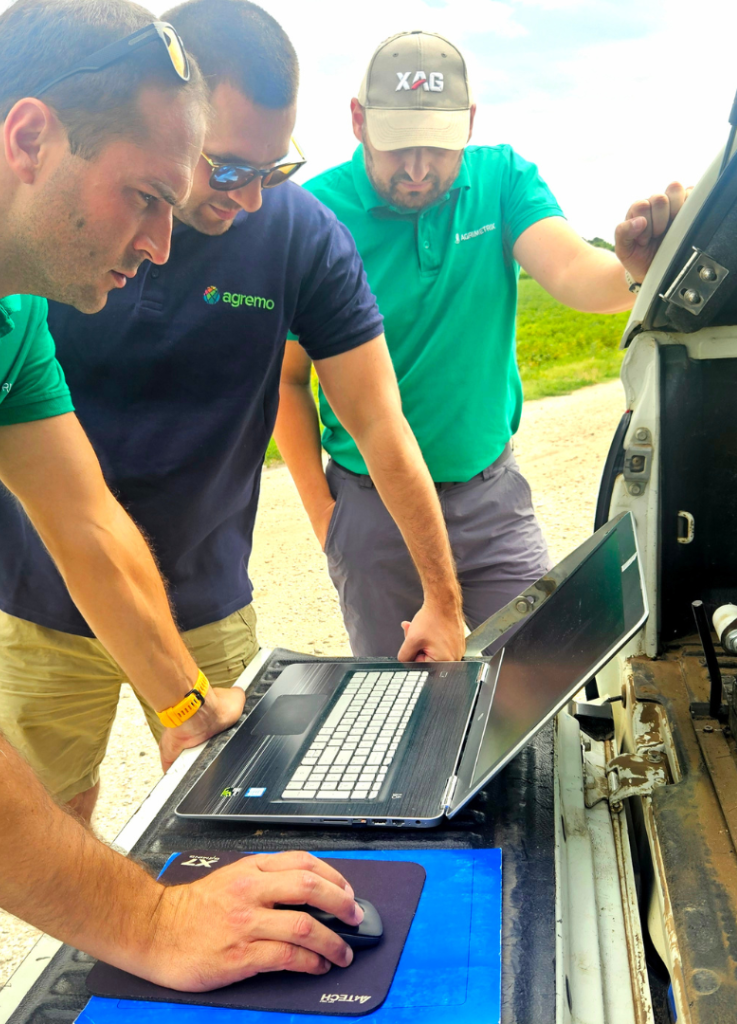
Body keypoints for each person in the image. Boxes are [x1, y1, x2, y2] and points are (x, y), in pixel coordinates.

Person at [0, 3, 363, 1021]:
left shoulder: (7, 309)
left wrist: (184, 706)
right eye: (146, 197)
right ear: (30, 138)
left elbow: (85, 522)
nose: (163, 244)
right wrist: (158, 922)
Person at [0, 0, 465, 826]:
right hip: (40, 605)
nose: (254, 200)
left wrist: (442, 599)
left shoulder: (301, 237)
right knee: (52, 823)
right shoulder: (63, 223)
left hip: (204, 603)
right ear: (169, 118)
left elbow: (379, 421)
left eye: (276, 169)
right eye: (229, 168)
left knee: (234, 823)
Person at [274, 30, 688, 656]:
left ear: (469, 123)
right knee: (400, 697)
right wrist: (323, 516)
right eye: (398, 144)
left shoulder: (502, 179)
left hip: (491, 499)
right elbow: (286, 378)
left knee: (543, 670)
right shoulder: (315, 216)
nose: (418, 169)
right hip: (372, 510)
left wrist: (637, 270)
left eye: (438, 147)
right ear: (358, 121)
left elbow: (575, 271)